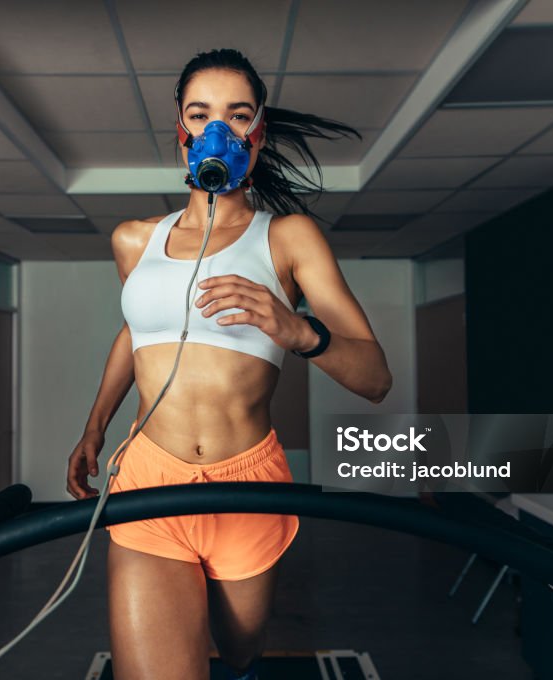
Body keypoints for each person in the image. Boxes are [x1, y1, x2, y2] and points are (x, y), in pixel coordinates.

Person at [66, 48, 394, 680]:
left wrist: (298, 330)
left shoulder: (289, 238)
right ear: (180, 134)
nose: (218, 128)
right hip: (148, 482)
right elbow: (137, 330)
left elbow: (377, 379)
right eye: (201, 113)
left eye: (237, 114)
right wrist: (94, 425)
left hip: (248, 483)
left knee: (240, 654)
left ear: (258, 132)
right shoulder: (134, 238)